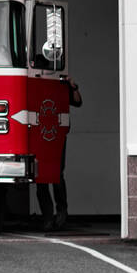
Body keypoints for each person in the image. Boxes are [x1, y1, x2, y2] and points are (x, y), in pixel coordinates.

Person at [36, 76, 82, 231]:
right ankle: (48, 218)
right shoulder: (36, 85)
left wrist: (72, 86)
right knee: (41, 177)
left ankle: (61, 213)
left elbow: (77, 102)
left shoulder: (61, 85)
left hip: (57, 135)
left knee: (57, 175)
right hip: (39, 136)